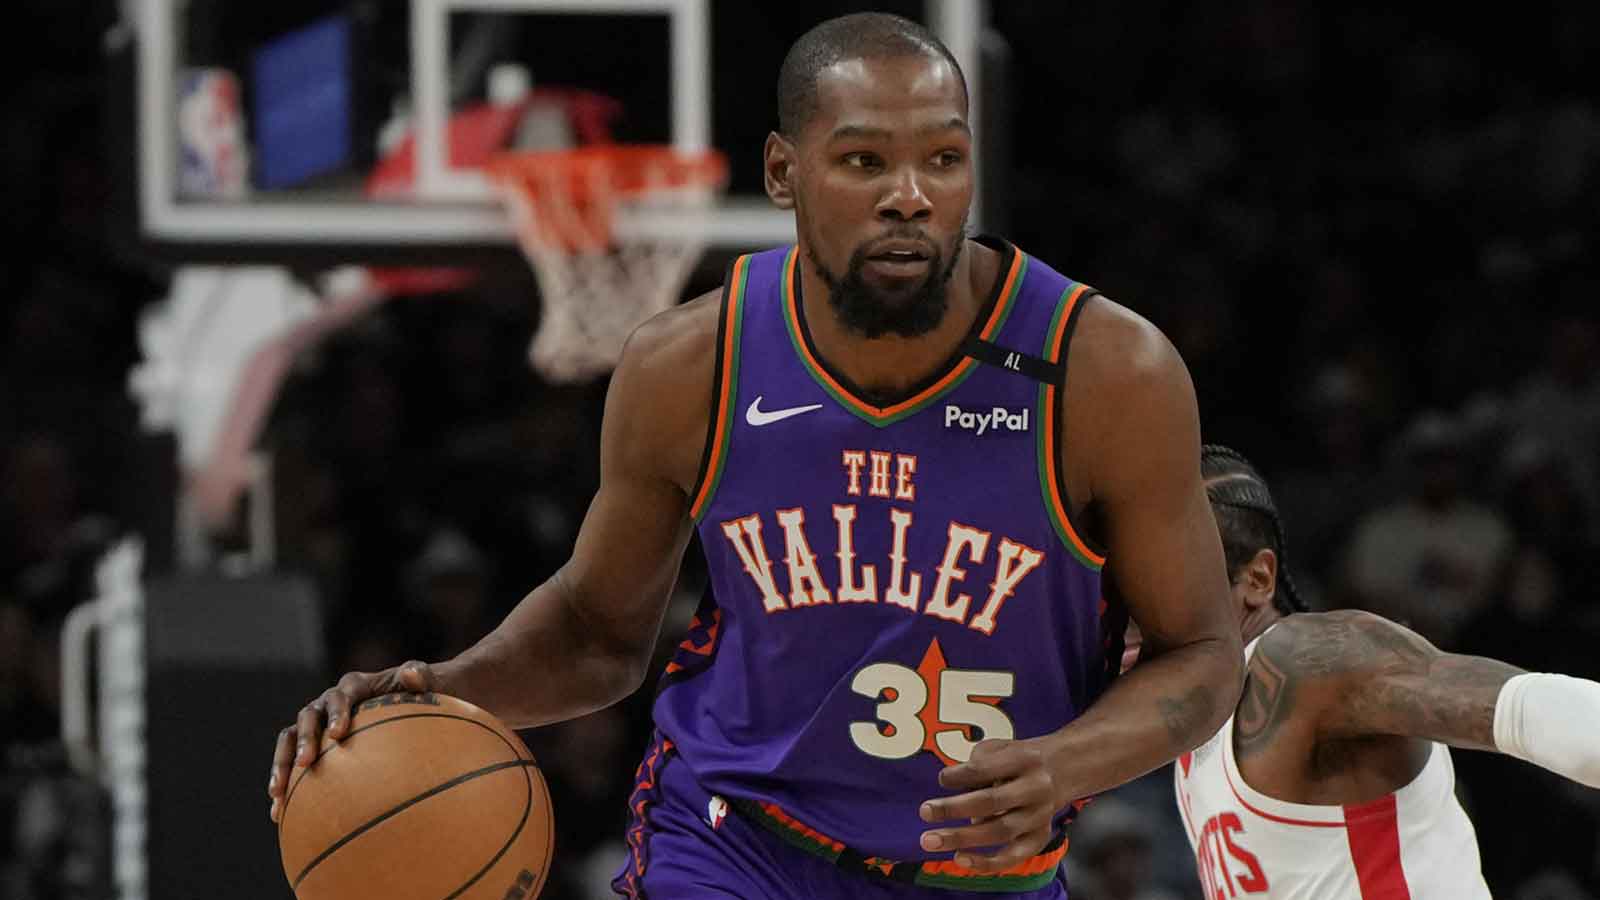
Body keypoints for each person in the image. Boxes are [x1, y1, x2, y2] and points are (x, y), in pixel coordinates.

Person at [268, 13, 1246, 898]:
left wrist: (1068, 764)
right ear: (782, 172)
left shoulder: (1104, 373)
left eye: (943, 160)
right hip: (734, 841)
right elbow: (598, 634)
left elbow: (1203, 659)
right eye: (863, 162)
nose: (910, 196)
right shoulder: (691, 364)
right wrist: (442, 687)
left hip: (978, 870)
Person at [1168, 444, 1600, 899]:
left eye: (1166, 575)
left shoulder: (1307, 659)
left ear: (1257, 579)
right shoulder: (1193, 727)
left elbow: (1524, 709)